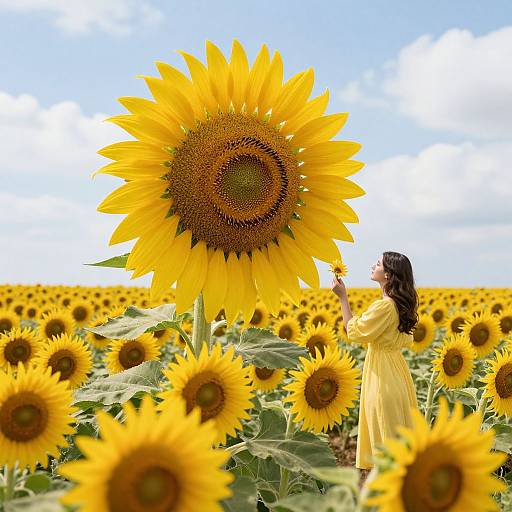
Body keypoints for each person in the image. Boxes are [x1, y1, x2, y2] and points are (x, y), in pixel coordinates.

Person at [331, 251, 419, 477]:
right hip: (398, 374)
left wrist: (343, 297)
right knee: (397, 444)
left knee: (384, 446)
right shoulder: (399, 306)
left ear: (388, 275)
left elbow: (354, 331)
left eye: (378, 263)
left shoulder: (384, 307)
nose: (373, 265)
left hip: (382, 378)